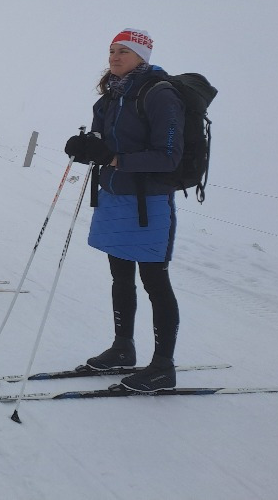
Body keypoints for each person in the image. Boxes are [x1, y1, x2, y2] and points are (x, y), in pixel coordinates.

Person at [64, 28, 185, 392]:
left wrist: (115, 158)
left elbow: (169, 157)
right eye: (112, 50)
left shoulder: (160, 94)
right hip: (115, 197)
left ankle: (163, 366)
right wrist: (86, 147)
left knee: (154, 281)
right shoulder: (110, 96)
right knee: (120, 276)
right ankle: (123, 347)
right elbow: (103, 143)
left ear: (141, 57)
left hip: (149, 202)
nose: (114, 57)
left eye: (124, 51)